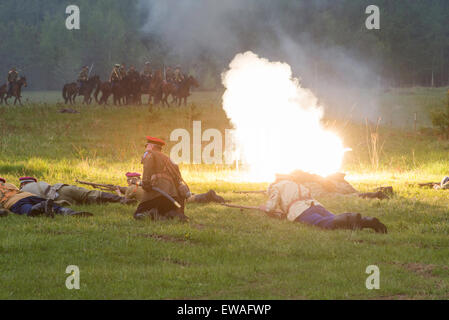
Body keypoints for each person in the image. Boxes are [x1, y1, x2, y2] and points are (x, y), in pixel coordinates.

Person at [259, 175, 388, 233]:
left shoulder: (275, 187)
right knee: (334, 219)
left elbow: (271, 206)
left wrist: (265, 208)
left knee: (325, 223)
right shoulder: (296, 184)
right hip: (316, 205)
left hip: (300, 210)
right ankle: (367, 221)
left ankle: (354, 218)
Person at [134, 136, 189, 221]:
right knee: (167, 212)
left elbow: (147, 168)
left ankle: (152, 213)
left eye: (146, 146)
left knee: (138, 214)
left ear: (151, 146)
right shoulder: (170, 159)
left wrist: (145, 184)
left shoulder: (149, 154)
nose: (146, 148)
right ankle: (167, 215)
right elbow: (178, 178)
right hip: (173, 197)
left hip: (157, 193)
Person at [0, 178, 92, 218]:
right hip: (28, 195)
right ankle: (68, 211)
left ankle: (41, 206)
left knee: (29, 210)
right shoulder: (9, 185)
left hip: (15, 202)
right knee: (54, 206)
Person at [19, 176, 135, 206]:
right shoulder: (40, 184)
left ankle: (106, 202)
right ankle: (121, 199)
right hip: (62, 188)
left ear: (22, 184)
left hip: (57, 200)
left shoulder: (21, 192)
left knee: (84, 202)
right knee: (91, 194)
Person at [118, 172, 224, 204]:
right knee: (188, 197)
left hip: (162, 200)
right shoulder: (145, 183)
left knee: (189, 200)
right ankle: (210, 196)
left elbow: (125, 200)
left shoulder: (131, 189)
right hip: (165, 192)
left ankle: (208, 195)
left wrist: (118, 192)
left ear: (129, 180)